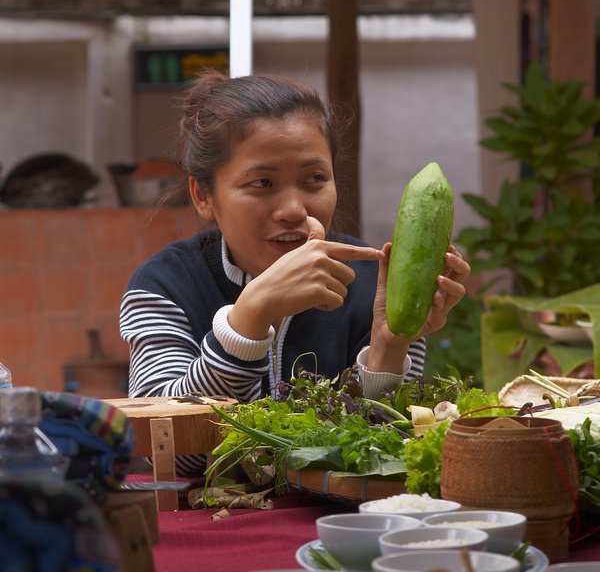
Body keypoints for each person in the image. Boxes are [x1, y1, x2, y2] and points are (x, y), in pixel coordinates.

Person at [119, 72, 470, 475]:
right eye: (262, 182)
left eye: (314, 179)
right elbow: (167, 452)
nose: (293, 209)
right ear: (204, 196)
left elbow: (382, 459)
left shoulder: (374, 284)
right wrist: (249, 317)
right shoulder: (164, 285)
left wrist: (389, 347)